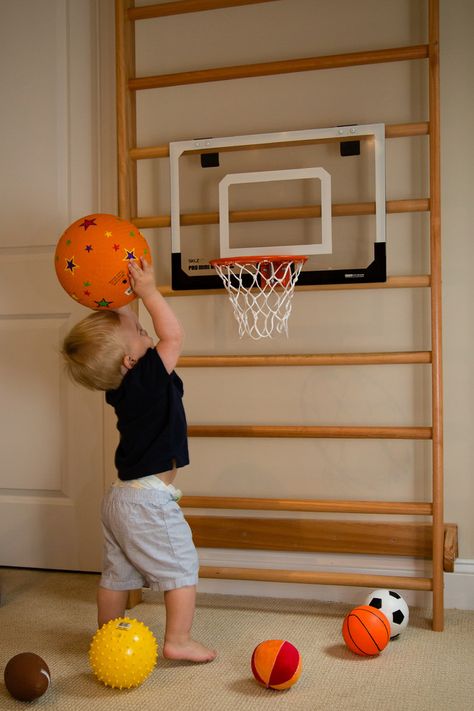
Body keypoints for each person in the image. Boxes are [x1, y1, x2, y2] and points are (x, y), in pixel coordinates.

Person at [61, 257, 216, 663]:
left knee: (116, 576)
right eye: (140, 332)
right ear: (132, 361)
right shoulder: (147, 377)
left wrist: (117, 293)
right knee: (182, 567)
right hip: (148, 501)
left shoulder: (121, 386)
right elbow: (175, 336)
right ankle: (178, 640)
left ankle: (107, 637)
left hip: (119, 500)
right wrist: (147, 292)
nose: (145, 328)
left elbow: (123, 319)